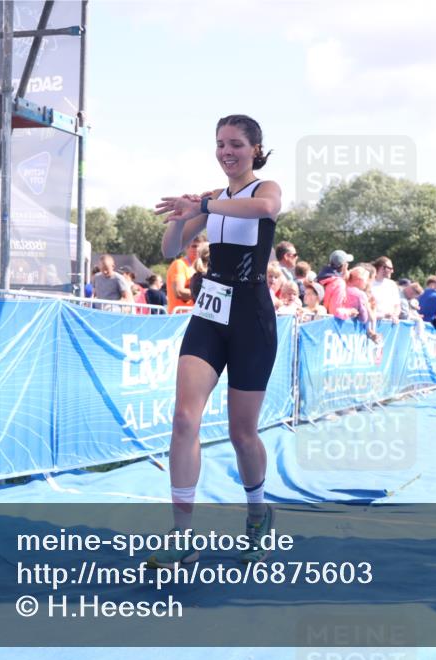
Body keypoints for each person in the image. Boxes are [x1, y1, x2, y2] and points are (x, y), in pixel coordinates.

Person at [151, 114, 281, 567]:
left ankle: (258, 512)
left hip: (252, 318)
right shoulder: (210, 199)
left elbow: (264, 212)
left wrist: (205, 208)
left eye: (236, 144)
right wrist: (182, 214)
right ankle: (182, 534)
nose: (227, 151)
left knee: (242, 432)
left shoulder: (264, 190)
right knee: (184, 418)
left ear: (255, 149)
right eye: (220, 144)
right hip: (209, 314)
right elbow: (170, 250)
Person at [166, 236, 202, 314]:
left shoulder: (200, 267)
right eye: (194, 246)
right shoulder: (179, 264)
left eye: (200, 247)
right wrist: (203, 294)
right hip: (178, 316)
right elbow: (179, 292)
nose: (197, 249)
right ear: (186, 248)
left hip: (192, 315)